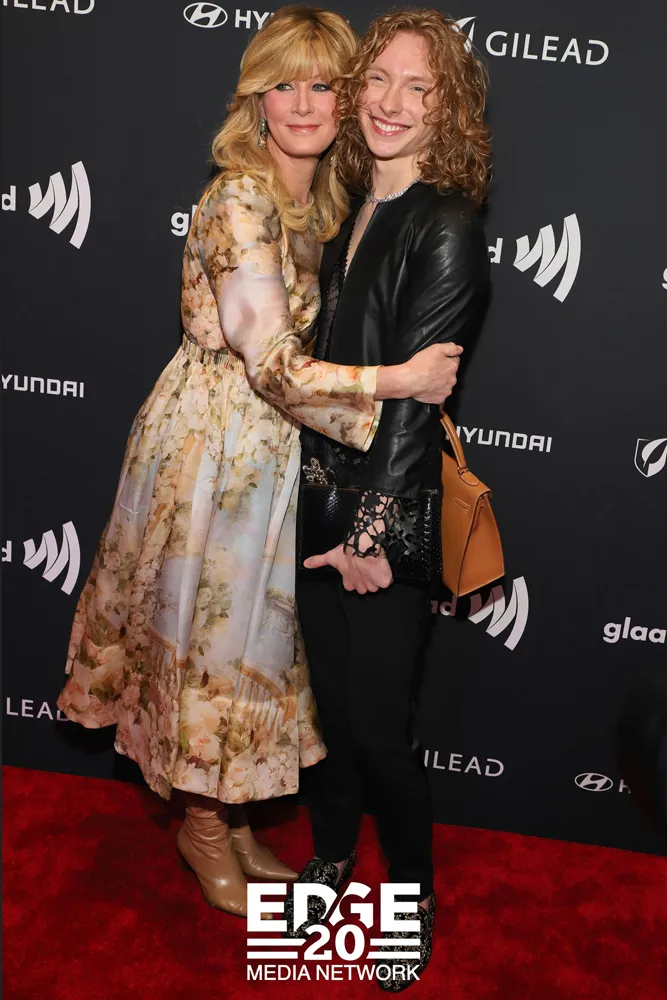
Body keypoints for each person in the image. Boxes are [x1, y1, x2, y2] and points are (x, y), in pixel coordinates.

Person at [56, 6, 462, 919]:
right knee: (208, 643)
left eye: (324, 84)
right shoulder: (239, 200)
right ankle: (200, 827)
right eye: (285, 85)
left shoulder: (321, 203)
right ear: (255, 100)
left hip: (281, 449)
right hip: (218, 450)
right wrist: (397, 379)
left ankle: (231, 816)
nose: (305, 104)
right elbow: (270, 360)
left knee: (250, 649)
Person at [289, 8, 491, 989]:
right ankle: (330, 857)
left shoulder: (444, 222)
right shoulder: (344, 213)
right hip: (309, 505)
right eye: (379, 79)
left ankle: (409, 896)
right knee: (326, 718)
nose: (392, 103)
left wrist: (369, 534)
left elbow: (415, 404)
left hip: (380, 519)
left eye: (420, 88)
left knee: (376, 731)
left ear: (445, 109)